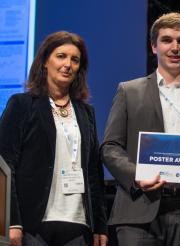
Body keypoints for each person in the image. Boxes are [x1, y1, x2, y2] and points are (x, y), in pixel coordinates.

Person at [101, 12, 180, 246]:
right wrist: (136, 176)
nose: (175, 47)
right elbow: (110, 147)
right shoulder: (129, 91)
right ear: (154, 46)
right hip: (138, 210)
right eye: (167, 40)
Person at [0, 31, 108, 246]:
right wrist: (11, 222)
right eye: (61, 56)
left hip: (78, 225)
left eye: (74, 59)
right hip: (33, 225)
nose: (67, 64)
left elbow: (94, 173)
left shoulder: (86, 113)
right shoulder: (22, 104)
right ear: (44, 62)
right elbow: (5, 165)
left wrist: (100, 225)